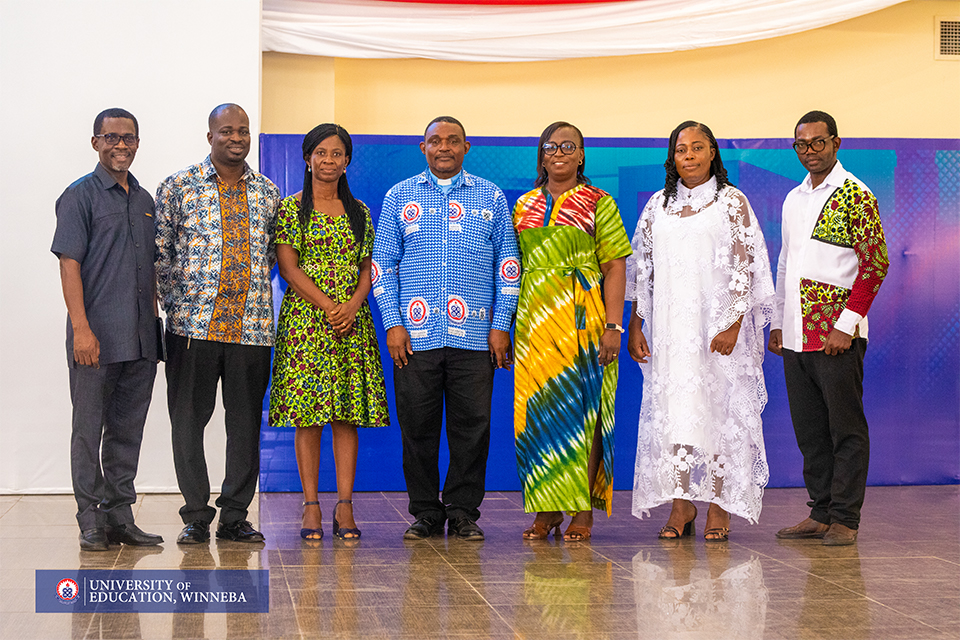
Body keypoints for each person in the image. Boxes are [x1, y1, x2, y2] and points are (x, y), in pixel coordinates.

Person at [372, 116, 520, 541]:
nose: (444, 148)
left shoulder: (490, 197)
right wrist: (394, 324)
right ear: (423, 148)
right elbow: (382, 266)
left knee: (472, 427)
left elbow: (507, 266)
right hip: (414, 339)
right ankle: (425, 512)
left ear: (466, 147)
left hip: (475, 337)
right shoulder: (399, 196)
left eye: (452, 141)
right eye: (435, 141)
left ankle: (461, 511)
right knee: (417, 428)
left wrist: (500, 325)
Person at [627, 121, 776, 541]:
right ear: (672, 158)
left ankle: (718, 506)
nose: (689, 155)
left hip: (716, 332)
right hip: (670, 333)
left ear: (713, 153)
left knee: (718, 412)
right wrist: (637, 324)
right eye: (681, 149)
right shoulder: (658, 204)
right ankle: (680, 506)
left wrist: (732, 325)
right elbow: (643, 271)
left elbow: (747, 265)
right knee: (675, 415)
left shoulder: (732, 202)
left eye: (697, 147)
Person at [155, 103, 281, 545]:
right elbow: (161, 254)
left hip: (252, 330)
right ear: (209, 136)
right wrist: (179, 305)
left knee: (244, 424)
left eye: (243, 131)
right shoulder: (178, 187)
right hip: (192, 330)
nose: (236, 138)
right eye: (226, 130)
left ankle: (234, 517)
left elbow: (269, 258)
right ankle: (195, 515)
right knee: (188, 421)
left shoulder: (268, 193)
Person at [768, 111, 889, 546]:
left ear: (836, 143)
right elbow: (786, 263)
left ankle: (845, 519)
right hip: (797, 335)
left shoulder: (856, 194)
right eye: (802, 144)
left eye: (819, 142)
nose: (810, 151)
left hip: (837, 335)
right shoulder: (793, 199)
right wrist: (780, 323)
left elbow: (876, 264)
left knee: (846, 429)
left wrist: (846, 324)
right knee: (810, 430)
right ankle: (819, 512)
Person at [268, 123, 389, 540]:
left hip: (351, 324)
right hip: (307, 324)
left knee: (345, 417)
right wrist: (329, 306)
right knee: (309, 417)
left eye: (337, 154)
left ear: (347, 161)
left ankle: (345, 505)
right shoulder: (289, 209)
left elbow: (366, 269)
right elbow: (288, 269)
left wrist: (353, 305)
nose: (328, 160)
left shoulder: (361, 213)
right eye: (321, 153)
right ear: (307, 158)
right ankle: (311, 506)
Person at [512, 122, 632, 542]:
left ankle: (581, 507)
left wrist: (614, 325)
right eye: (551, 146)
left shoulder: (600, 202)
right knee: (539, 414)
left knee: (584, 413)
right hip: (535, 322)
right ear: (541, 155)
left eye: (569, 146)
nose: (559, 152)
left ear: (582, 155)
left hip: (585, 319)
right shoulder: (524, 205)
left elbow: (615, 266)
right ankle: (546, 508)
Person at [51, 108, 163, 551]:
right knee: (88, 428)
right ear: (95, 142)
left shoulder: (145, 200)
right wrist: (81, 329)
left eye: (129, 138)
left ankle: (120, 515)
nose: (121, 145)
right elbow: (69, 264)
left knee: (127, 429)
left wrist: (153, 327)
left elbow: (150, 268)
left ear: (137, 143)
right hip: (95, 337)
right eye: (111, 137)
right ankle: (90, 518)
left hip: (139, 338)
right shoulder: (79, 197)